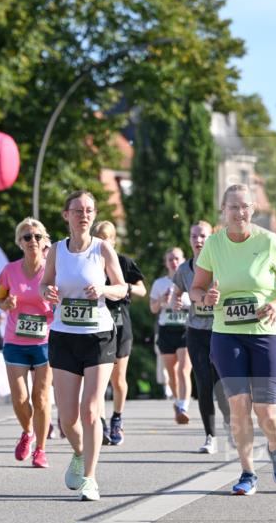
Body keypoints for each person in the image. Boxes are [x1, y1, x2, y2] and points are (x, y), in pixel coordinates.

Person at [190, 184, 276, 496]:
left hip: (266, 333)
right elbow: (196, 291)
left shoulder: (268, 241)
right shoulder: (213, 244)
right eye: (233, 208)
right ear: (223, 212)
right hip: (227, 334)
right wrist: (206, 297)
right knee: (239, 406)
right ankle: (247, 472)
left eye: (245, 207)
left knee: (267, 412)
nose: (239, 213)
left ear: (252, 209)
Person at [40, 190, 126, 502]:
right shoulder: (57, 251)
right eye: (78, 210)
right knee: (66, 418)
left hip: (98, 335)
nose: (84, 215)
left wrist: (103, 288)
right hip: (64, 335)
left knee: (91, 409)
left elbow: (122, 287)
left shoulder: (102, 249)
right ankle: (79, 452)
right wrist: (46, 292)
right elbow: (45, 282)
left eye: (89, 210)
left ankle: (90, 478)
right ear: (66, 215)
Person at [0, 217, 53, 469]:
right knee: (20, 398)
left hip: (45, 340)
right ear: (19, 242)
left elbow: (64, 297)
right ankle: (27, 432)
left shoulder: (52, 269)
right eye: (27, 237)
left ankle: (41, 449)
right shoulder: (10, 270)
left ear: (44, 241)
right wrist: (6, 304)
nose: (32, 241)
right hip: (15, 340)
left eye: (37, 236)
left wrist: (56, 299)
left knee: (40, 398)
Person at [172, 220, 230, 454]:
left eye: (203, 236)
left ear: (210, 238)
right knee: (203, 382)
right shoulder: (184, 269)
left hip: (221, 330)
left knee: (221, 384)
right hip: (196, 332)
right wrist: (176, 301)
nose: (198, 240)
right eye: (194, 236)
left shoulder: (222, 265)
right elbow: (176, 293)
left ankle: (229, 422)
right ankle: (210, 436)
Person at [91, 220, 146, 446]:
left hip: (121, 325)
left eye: (107, 238)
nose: (104, 242)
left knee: (118, 378)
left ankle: (117, 418)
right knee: (99, 380)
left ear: (114, 240)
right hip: (96, 326)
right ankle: (102, 423)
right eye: (99, 237)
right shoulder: (89, 263)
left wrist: (126, 288)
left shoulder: (123, 262)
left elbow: (142, 289)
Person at [150, 247, 192, 425]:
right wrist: (162, 301)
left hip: (186, 329)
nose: (173, 262)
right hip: (166, 330)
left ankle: (183, 406)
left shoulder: (191, 280)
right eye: (170, 259)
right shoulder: (160, 283)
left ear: (182, 260)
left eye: (177, 258)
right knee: (172, 373)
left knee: (184, 370)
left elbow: (200, 303)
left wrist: (184, 303)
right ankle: (177, 400)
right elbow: (153, 308)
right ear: (166, 263)